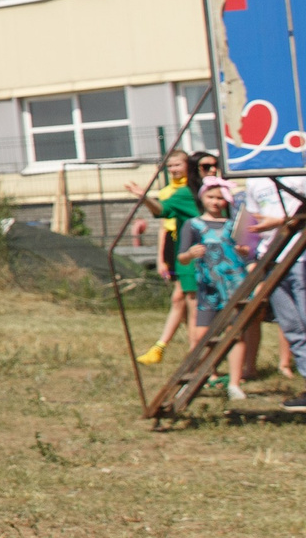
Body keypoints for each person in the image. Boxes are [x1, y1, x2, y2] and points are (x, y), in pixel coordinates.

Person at [239, 171, 306, 409]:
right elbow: (252, 219)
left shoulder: (296, 170)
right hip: (271, 259)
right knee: (291, 325)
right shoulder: (253, 178)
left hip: (300, 256)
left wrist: (279, 222)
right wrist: (249, 251)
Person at [181, 178, 253, 397]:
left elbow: (248, 251)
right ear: (202, 198)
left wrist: (244, 251)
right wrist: (190, 254)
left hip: (233, 286)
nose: (215, 202)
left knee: (235, 333)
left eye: (220, 198)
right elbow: (182, 257)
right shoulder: (193, 225)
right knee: (202, 335)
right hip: (208, 288)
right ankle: (203, 375)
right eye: (210, 197)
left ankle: (234, 381)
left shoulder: (233, 224)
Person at [129, 152, 199, 363]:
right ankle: (172, 347)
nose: (173, 170)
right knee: (181, 300)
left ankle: (169, 348)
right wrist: (161, 258)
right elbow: (162, 222)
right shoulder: (170, 191)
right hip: (176, 244)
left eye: (177, 165)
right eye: (169, 167)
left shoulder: (196, 190)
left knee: (183, 300)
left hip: (191, 250)